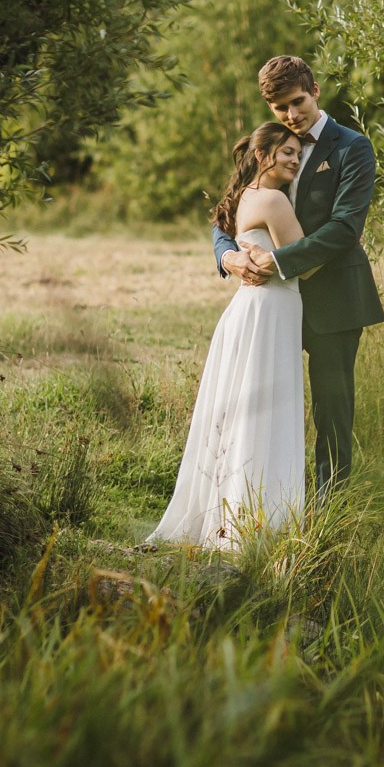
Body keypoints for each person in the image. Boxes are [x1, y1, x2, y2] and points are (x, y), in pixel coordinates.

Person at [213, 55, 384, 496]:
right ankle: (259, 500)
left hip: (334, 302)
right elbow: (232, 205)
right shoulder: (272, 143)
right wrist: (226, 255)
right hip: (272, 308)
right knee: (265, 407)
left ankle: (330, 515)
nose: (291, 115)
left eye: (297, 101)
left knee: (331, 411)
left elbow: (346, 227)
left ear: (316, 91)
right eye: (280, 108)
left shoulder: (353, 147)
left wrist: (280, 261)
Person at [148, 123, 308, 548]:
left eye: (297, 153)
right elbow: (305, 262)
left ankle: (228, 514)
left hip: (247, 311)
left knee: (243, 412)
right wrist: (348, 241)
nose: (294, 159)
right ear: (263, 154)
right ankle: (254, 524)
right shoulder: (273, 200)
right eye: (287, 152)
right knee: (265, 411)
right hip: (270, 310)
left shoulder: (242, 197)